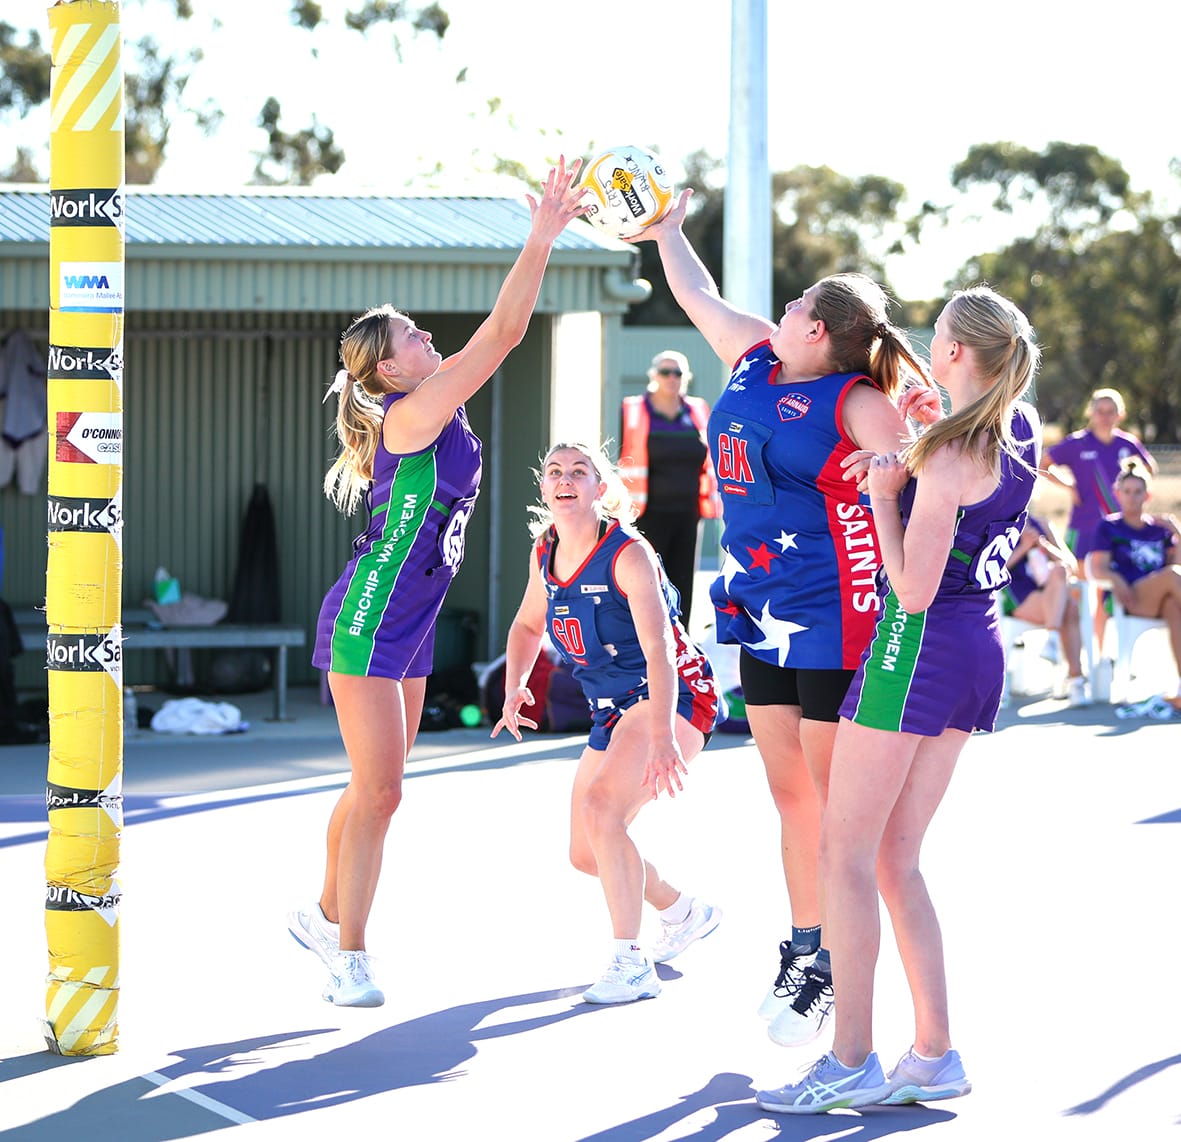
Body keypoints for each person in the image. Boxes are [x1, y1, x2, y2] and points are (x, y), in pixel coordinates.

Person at [630, 190, 941, 1046]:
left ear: (818, 331)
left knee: (840, 813)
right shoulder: (754, 362)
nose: (784, 307)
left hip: (836, 617)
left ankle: (837, 969)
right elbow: (697, 295)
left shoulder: (856, 402)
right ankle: (805, 948)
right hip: (760, 608)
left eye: (798, 302)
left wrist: (927, 430)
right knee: (789, 796)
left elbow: (932, 483)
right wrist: (668, 232)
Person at [287, 159, 587, 1008]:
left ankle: (321, 915)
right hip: (367, 617)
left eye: (421, 332)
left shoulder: (437, 404)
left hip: (410, 622)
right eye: (412, 337)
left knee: (374, 788)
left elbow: (495, 337)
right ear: (390, 372)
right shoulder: (412, 413)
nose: (427, 338)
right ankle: (349, 955)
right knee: (382, 792)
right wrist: (542, 234)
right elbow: (505, 333)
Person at [756, 286, 1041, 1114]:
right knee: (894, 859)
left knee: (843, 856)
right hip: (975, 648)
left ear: (953, 353)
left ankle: (849, 1059)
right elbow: (966, 487)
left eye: (936, 333)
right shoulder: (1015, 428)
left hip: (914, 648)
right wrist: (917, 440)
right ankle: (934, 1052)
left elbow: (911, 590)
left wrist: (885, 496)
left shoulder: (949, 455)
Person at [492, 442, 723, 1005]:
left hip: (668, 695)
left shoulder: (627, 553)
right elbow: (527, 626)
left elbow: (660, 648)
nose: (565, 480)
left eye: (579, 472)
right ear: (543, 487)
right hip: (612, 709)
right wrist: (515, 685)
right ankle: (682, 911)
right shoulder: (544, 551)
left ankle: (630, 961)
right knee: (586, 851)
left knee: (602, 809)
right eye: (554, 472)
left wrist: (664, 735)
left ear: (601, 488)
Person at [618, 350, 720, 624]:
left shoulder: (697, 410)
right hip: (647, 514)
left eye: (678, 373)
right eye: (665, 372)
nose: (672, 378)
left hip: (688, 513)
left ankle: (681, 642)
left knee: (683, 583)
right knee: (647, 582)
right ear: (654, 376)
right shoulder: (633, 409)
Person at [1089, 459, 1181, 711]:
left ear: (1147, 495)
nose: (1132, 497)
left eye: (1138, 491)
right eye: (1127, 491)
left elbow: (1176, 565)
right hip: (1129, 597)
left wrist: (1177, 533)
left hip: (1161, 597)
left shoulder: (1159, 530)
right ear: (1117, 494)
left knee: (1174, 607)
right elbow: (1098, 568)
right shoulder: (1108, 527)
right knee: (1171, 576)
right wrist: (1117, 579)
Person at [1040, 387, 1156, 562]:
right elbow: (1042, 464)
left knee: (1119, 572)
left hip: (1120, 527)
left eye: (1110, 412)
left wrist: (1133, 492)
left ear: (1120, 414)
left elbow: (1149, 468)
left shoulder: (1127, 443)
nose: (1105, 417)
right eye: (1100, 411)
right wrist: (1069, 486)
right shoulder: (1077, 443)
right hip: (1084, 524)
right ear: (1090, 413)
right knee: (1076, 572)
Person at [1001, 515, 1088, 706]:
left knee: (1060, 573)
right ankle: (1076, 681)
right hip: (1020, 597)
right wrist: (1024, 547)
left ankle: (1053, 638)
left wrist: (1044, 546)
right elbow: (994, 568)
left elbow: (1071, 565)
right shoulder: (1000, 518)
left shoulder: (1042, 524)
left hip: (1050, 593)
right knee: (1070, 609)